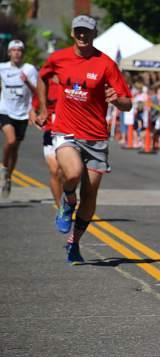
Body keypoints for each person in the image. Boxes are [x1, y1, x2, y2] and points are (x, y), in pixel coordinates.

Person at [35, 15, 132, 263]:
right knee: (73, 173)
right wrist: (44, 108)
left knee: (90, 196)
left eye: (86, 31)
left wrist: (115, 99)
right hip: (65, 130)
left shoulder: (106, 64)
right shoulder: (58, 58)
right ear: (72, 33)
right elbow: (42, 77)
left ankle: (74, 242)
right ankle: (68, 202)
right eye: (78, 31)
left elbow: (127, 103)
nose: (82, 35)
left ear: (94, 33)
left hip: (96, 137)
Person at [0, 39, 38, 197]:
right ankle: (3, 166)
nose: (17, 53)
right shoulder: (2, 68)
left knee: (15, 149)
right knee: (10, 140)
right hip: (5, 111)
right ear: (9, 53)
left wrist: (27, 82)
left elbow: (37, 91)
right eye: (14, 50)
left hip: (22, 113)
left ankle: (9, 176)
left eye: (20, 50)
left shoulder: (29, 70)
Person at [31, 77, 63, 206]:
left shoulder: (70, 82)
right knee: (55, 172)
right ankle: (61, 208)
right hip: (50, 132)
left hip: (69, 133)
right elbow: (34, 109)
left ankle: (67, 200)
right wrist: (36, 118)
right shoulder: (45, 84)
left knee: (68, 174)